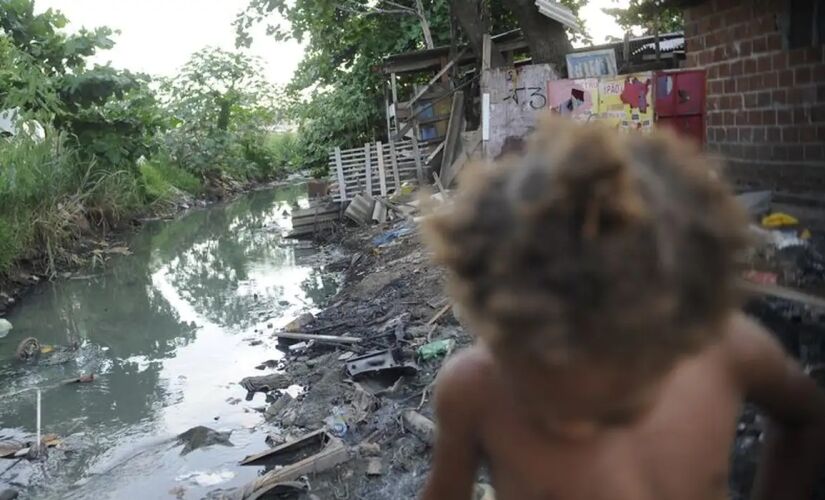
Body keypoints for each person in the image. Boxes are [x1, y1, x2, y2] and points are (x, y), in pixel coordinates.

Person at [420, 117, 825, 500]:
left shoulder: (726, 347)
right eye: (548, 391)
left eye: (618, 406)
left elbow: (806, 417)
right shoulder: (474, 390)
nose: (575, 429)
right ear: (497, 333)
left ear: (676, 333)